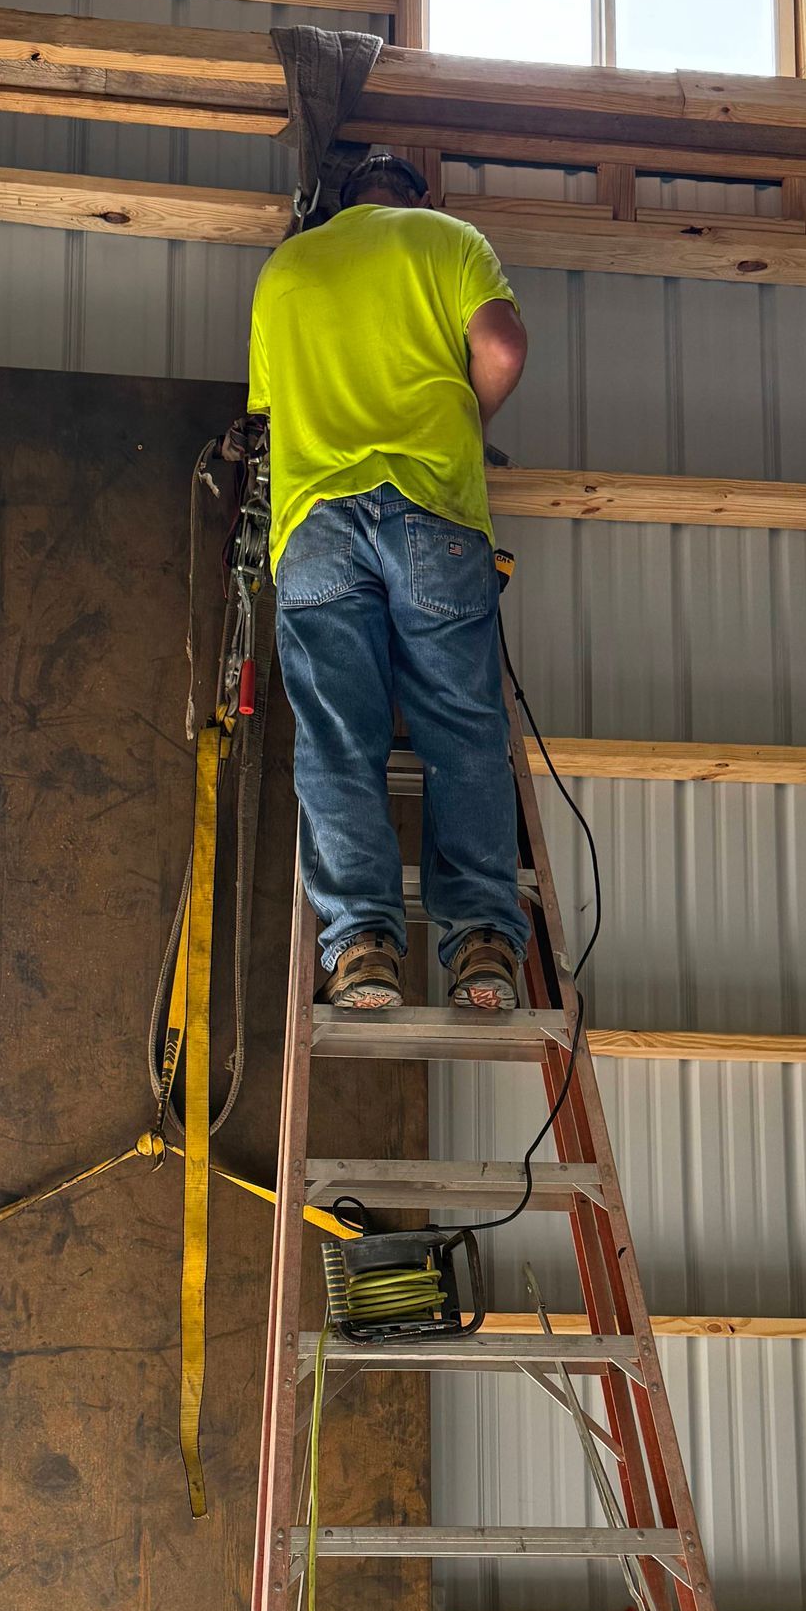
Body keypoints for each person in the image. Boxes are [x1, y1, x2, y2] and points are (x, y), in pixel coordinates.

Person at [246, 147, 530, 1012]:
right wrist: (463, 423)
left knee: (336, 739)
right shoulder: (447, 239)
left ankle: (363, 945)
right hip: (433, 509)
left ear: (339, 202)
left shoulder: (286, 267)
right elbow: (502, 346)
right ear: (418, 194)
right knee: (461, 728)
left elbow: (265, 416)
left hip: (317, 525)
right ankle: (481, 941)